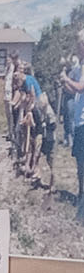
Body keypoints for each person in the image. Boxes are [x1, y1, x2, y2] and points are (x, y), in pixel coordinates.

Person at [60, 55, 84, 224]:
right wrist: (64, 82)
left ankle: (82, 212)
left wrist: (67, 78)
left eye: (79, 45)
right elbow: (73, 90)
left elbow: (80, 87)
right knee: (79, 167)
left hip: (83, 123)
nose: (77, 49)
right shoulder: (80, 67)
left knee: (83, 168)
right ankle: (80, 199)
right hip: (79, 123)